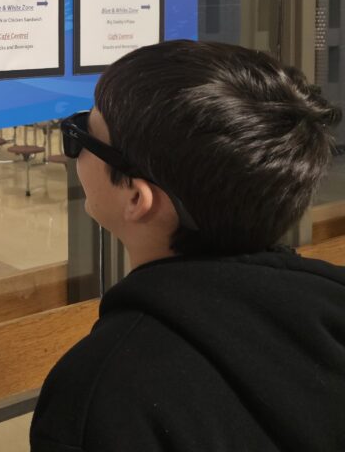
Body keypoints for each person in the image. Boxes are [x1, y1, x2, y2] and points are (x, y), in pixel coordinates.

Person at [30, 40, 345, 452]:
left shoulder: (103, 392)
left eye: (79, 136)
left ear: (137, 199)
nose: (73, 151)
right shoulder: (329, 312)